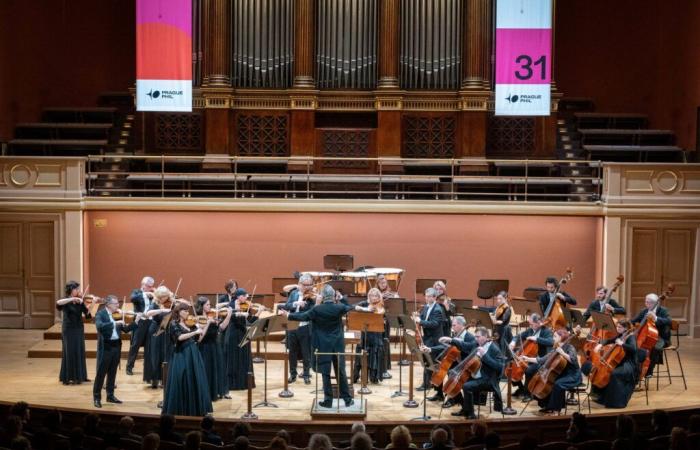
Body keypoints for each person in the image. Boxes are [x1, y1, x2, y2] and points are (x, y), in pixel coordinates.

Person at [280, 284, 355, 408]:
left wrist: (288, 315)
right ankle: (347, 400)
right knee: (340, 372)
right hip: (337, 345)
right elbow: (349, 306)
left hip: (323, 345)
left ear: (322, 296)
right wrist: (341, 298)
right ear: (333, 296)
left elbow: (303, 316)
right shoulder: (339, 307)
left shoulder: (317, 309)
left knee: (325, 372)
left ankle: (328, 401)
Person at [161, 302, 213, 416]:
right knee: (183, 378)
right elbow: (179, 337)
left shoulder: (191, 324)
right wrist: (194, 331)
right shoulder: (173, 324)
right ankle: (181, 408)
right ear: (178, 312)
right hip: (182, 354)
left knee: (195, 378)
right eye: (184, 311)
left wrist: (204, 326)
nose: (187, 313)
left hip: (193, 353)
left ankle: (196, 408)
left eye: (187, 311)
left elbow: (199, 339)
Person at [522, 327, 582, 414]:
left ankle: (556, 409)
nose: (553, 338)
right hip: (562, 373)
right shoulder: (556, 348)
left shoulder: (569, 347)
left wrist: (562, 353)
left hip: (572, 375)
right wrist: (527, 358)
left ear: (561, 337)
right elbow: (542, 360)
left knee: (558, 384)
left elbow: (573, 361)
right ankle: (548, 406)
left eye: (555, 336)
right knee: (550, 382)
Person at [93, 295, 138, 408]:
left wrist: (136, 321)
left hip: (116, 346)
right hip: (106, 347)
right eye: (116, 303)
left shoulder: (116, 315)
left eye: (118, 303)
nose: (118, 305)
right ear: (108, 304)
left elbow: (126, 330)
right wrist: (114, 323)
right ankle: (97, 398)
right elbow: (100, 326)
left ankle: (110, 395)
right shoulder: (101, 314)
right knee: (101, 374)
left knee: (113, 373)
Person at [452, 327, 503, 419]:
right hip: (475, 375)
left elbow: (499, 367)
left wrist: (484, 356)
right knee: (455, 381)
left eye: (478, 337)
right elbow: (464, 345)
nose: (476, 339)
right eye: (475, 336)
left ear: (485, 336)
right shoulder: (476, 344)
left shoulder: (494, 349)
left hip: (487, 379)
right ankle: (465, 409)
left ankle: (471, 414)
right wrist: (451, 340)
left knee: (467, 386)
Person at [584, 319, 638, 408]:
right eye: (617, 326)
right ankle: (601, 398)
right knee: (600, 370)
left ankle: (616, 402)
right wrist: (601, 344)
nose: (617, 328)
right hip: (620, 361)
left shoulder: (630, 337)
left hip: (629, 362)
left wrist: (622, 344)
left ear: (626, 328)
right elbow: (609, 340)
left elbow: (633, 349)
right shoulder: (620, 335)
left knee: (614, 374)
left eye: (619, 327)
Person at [425, 316, 476, 407]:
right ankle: (440, 394)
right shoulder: (456, 335)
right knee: (439, 368)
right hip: (456, 361)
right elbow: (446, 347)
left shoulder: (470, 337)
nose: (452, 327)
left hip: (466, 364)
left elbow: (468, 348)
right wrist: (430, 349)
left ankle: (454, 399)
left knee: (451, 373)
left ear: (461, 325)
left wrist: (453, 340)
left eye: (454, 325)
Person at [278, 273, 315, 384]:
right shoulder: (293, 293)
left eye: (310, 285)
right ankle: (292, 374)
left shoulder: (311, 296)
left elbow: (311, 311)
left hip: (304, 327)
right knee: (292, 352)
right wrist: (296, 303)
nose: (308, 287)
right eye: (305, 285)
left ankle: (306, 374)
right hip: (292, 327)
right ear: (299, 284)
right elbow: (286, 306)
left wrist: (307, 304)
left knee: (306, 353)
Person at [509, 313, 555, 402]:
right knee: (511, 366)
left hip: (540, 359)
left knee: (529, 370)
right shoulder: (530, 330)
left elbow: (551, 342)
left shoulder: (546, 331)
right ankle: (521, 388)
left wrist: (537, 339)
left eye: (531, 324)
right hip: (527, 357)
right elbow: (518, 336)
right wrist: (513, 342)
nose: (530, 326)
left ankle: (528, 393)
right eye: (530, 324)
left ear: (538, 322)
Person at [196, 296, 232, 401]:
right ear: (201, 306)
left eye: (209, 305)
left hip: (215, 345)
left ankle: (219, 391)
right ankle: (208, 392)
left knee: (218, 368)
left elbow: (221, 328)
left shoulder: (212, 316)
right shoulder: (198, 318)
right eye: (207, 305)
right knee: (208, 369)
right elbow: (201, 335)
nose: (210, 307)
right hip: (205, 347)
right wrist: (208, 322)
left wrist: (228, 315)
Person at [56, 280, 91, 385]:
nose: (78, 291)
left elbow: (88, 316)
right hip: (69, 329)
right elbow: (58, 303)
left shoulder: (80, 301)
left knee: (79, 351)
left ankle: (80, 376)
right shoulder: (66, 300)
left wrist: (90, 305)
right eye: (76, 289)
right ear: (71, 290)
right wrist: (72, 299)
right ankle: (68, 377)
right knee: (69, 352)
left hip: (79, 329)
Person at [223, 288, 257, 390]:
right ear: (239, 296)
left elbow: (250, 320)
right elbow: (231, 316)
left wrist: (257, 312)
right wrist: (239, 313)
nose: (247, 298)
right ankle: (233, 384)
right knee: (234, 357)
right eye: (245, 296)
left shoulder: (246, 306)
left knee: (244, 356)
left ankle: (244, 383)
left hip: (243, 333)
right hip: (233, 334)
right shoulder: (231, 305)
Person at [413, 288, 446, 391]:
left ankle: (428, 384)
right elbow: (422, 317)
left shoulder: (437, 310)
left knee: (431, 362)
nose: (426, 298)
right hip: (427, 338)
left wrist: (420, 321)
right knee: (426, 361)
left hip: (434, 340)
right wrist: (417, 316)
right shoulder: (427, 307)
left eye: (428, 296)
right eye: (426, 296)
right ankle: (427, 383)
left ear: (434, 297)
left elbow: (434, 324)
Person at [631, 293, 672, 377]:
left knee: (654, 347)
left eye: (649, 302)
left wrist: (656, 318)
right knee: (632, 344)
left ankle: (649, 371)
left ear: (655, 303)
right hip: (646, 337)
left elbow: (669, 321)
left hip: (661, 338)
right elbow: (633, 321)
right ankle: (633, 368)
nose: (646, 304)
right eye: (646, 302)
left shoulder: (663, 310)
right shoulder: (644, 311)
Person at [352, 288, 387, 384]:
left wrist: (376, 311)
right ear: (369, 296)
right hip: (364, 335)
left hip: (376, 336)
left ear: (379, 297)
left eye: (376, 295)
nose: (374, 298)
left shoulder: (381, 307)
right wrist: (366, 309)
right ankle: (357, 375)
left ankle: (373, 377)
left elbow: (382, 314)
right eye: (372, 295)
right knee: (360, 354)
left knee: (374, 354)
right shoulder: (364, 304)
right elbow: (353, 307)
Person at [145, 286, 174, 390]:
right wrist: (161, 310)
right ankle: (154, 379)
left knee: (165, 353)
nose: (164, 299)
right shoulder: (155, 303)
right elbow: (147, 314)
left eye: (165, 297)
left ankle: (164, 379)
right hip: (156, 329)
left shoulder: (171, 302)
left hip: (166, 330)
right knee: (155, 354)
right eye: (162, 297)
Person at [126, 276, 155, 377]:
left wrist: (155, 294)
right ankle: (129, 367)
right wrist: (144, 294)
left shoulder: (153, 294)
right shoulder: (137, 292)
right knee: (135, 345)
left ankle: (147, 367)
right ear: (143, 284)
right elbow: (132, 298)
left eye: (151, 286)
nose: (150, 288)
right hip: (140, 322)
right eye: (148, 286)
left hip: (150, 322)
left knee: (149, 345)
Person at [490, 291, 513, 355]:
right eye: (497, 299)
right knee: (495, 344)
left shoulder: (507, 309)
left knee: (500, 346)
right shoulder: (498, 308)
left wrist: (495, 321)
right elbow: (494, 315)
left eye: (500, 299)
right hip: (496, 329)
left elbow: (502, 321)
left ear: (505, 299)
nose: (498, 300)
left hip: (503, 331)